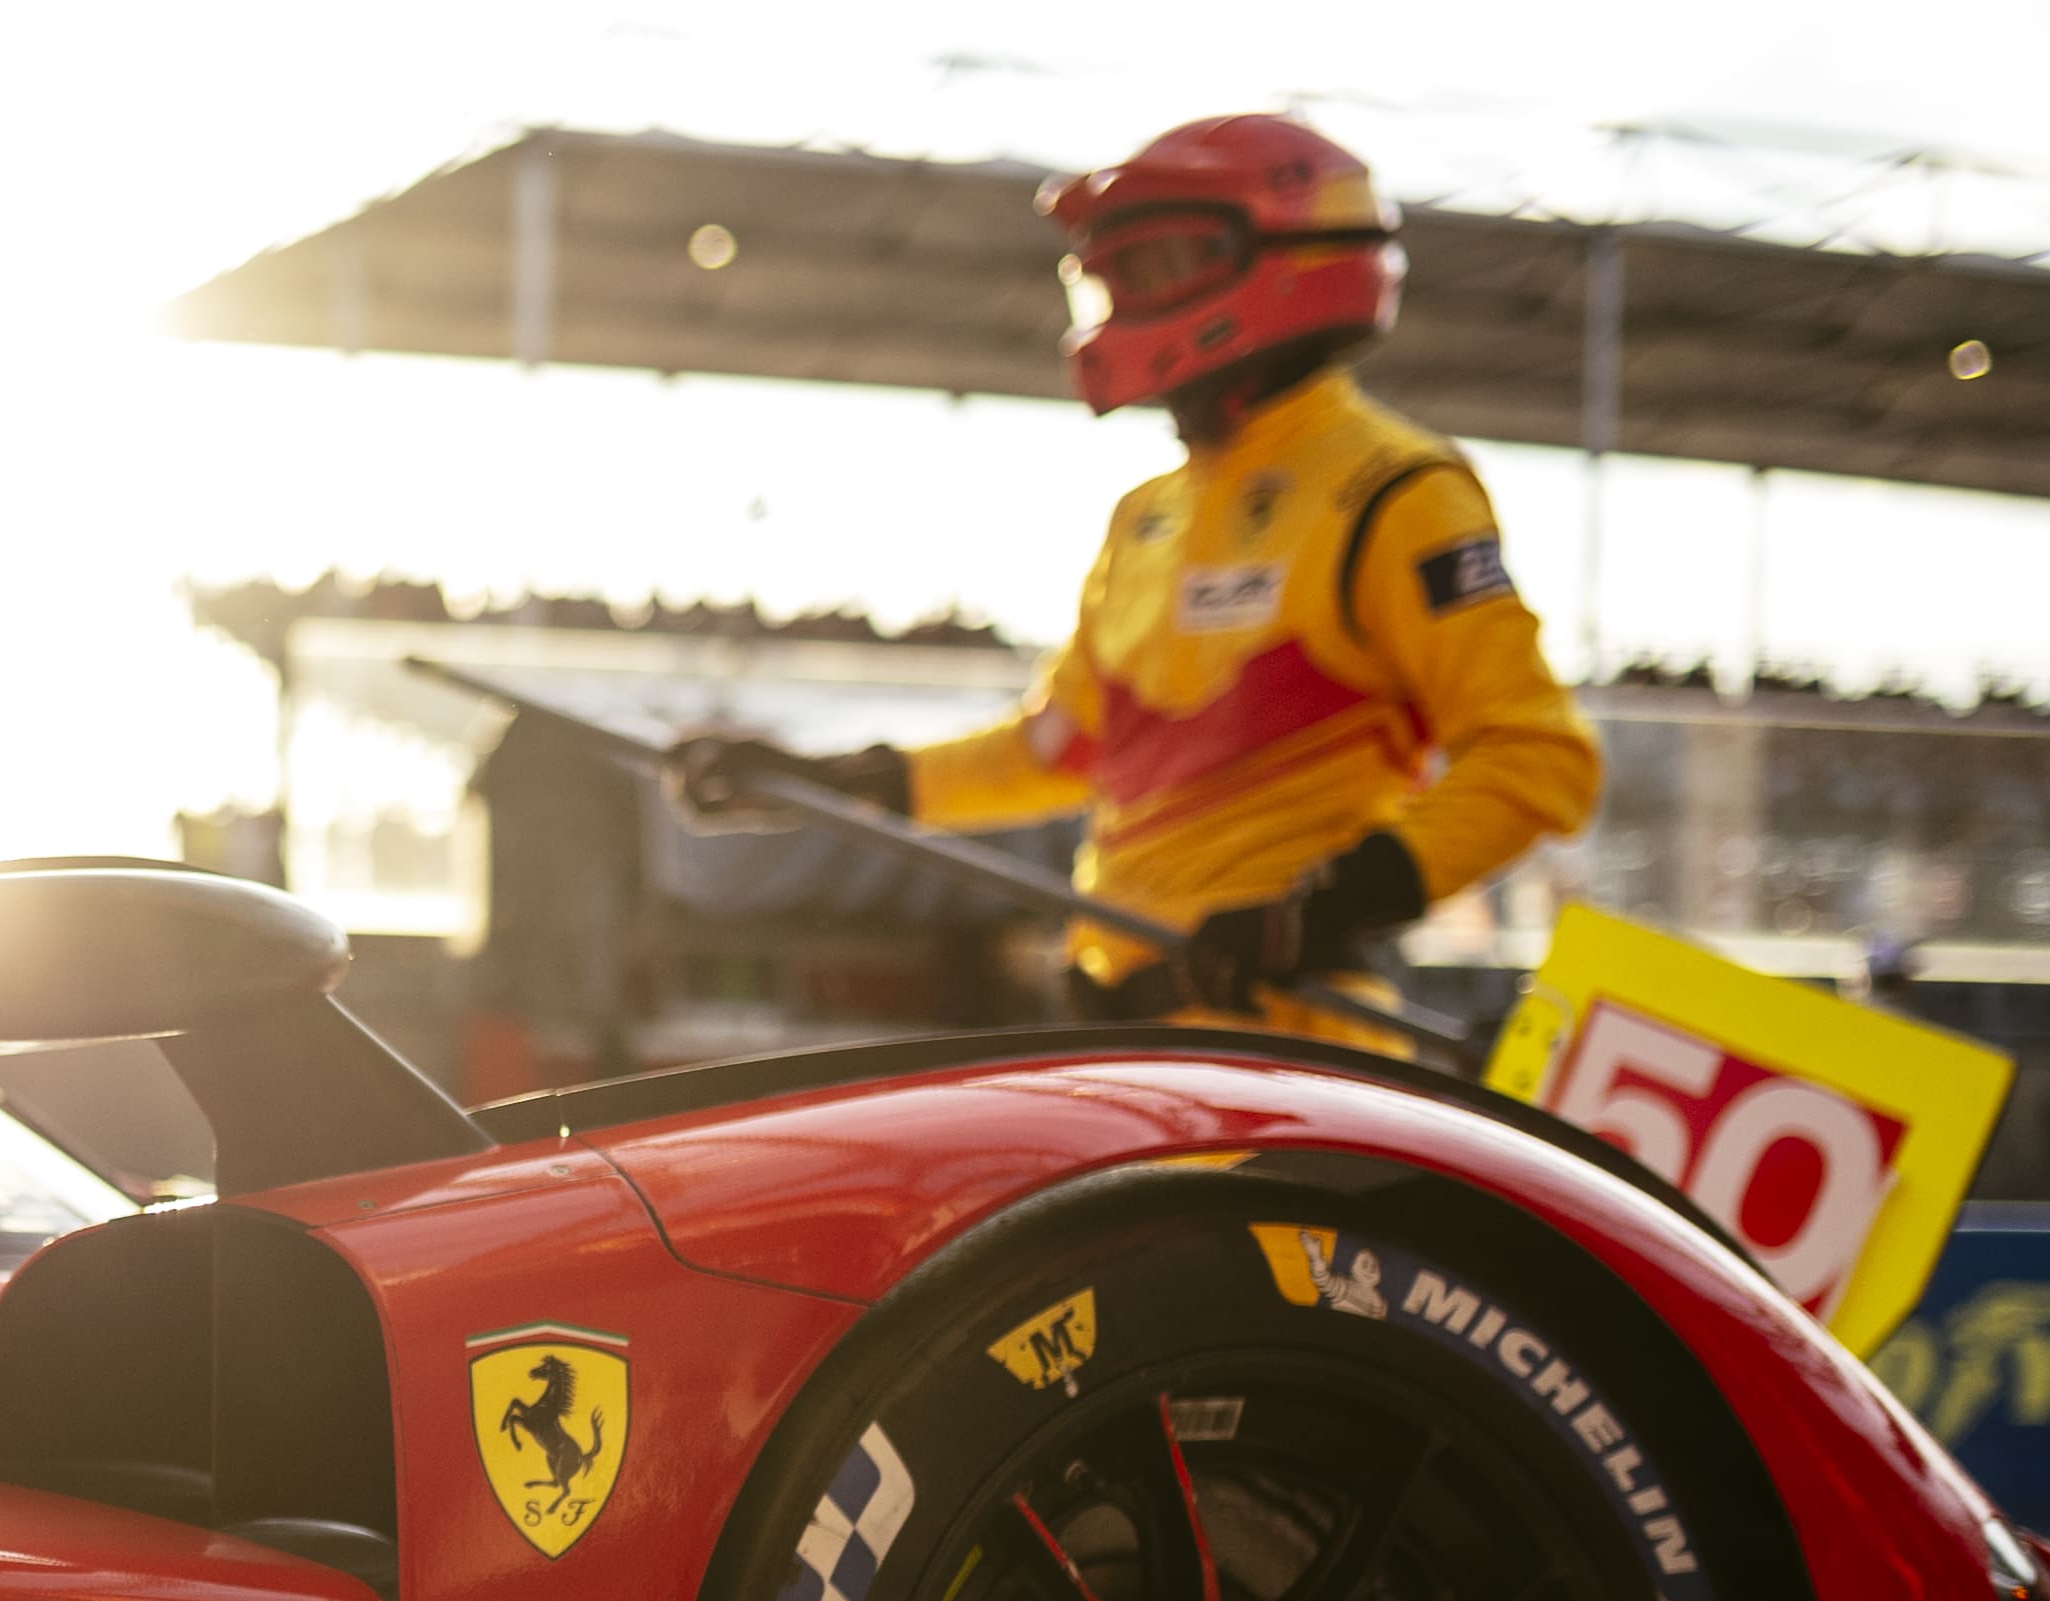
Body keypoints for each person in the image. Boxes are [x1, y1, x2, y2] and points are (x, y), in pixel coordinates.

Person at [674, 114, 1600, 1052]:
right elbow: (1051, 752)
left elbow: (1538, 759)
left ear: (1289, 260)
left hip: (1294, 1050)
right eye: (1108, 273)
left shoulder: (1394, 492)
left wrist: (1320, 909)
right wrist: (826, 780)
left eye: (1156, 266)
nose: (1122, 297)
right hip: (1128, 1041)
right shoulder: (1145, 518)